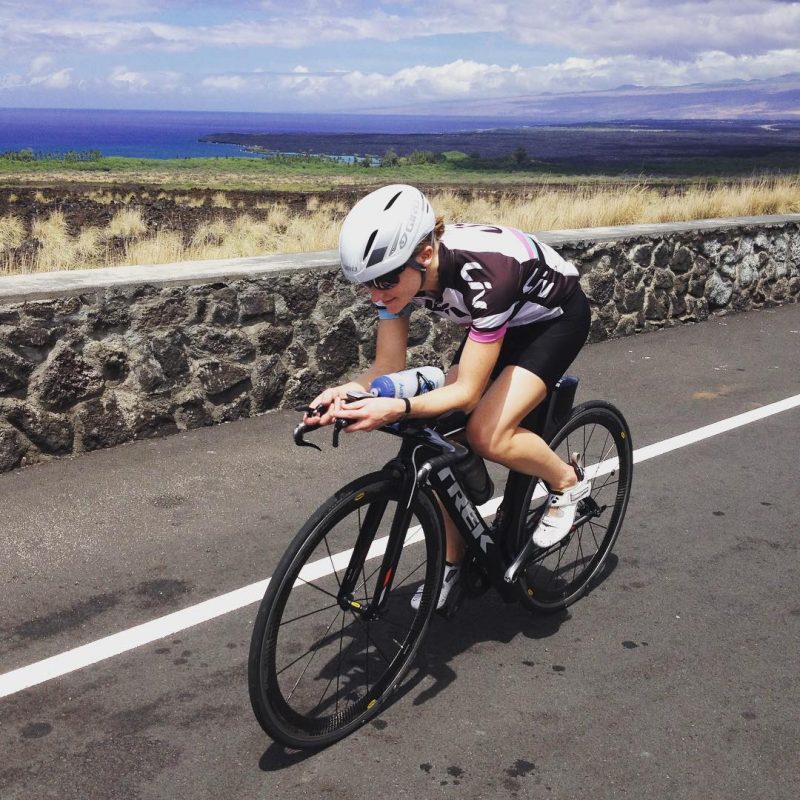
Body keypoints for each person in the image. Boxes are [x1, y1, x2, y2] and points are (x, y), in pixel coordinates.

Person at [305, 184, 592, 612]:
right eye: (367, 284)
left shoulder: (485, 273)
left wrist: (396, 407)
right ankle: (453, 563)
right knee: (436, 438)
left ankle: (567, 483)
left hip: (553, 321)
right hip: (497, 323)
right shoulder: (400, 275)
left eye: (383, 281)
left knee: (487, 433)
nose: (376, 295)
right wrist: (346, 393)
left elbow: (467, 390)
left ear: (424, 253)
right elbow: (386, 365)